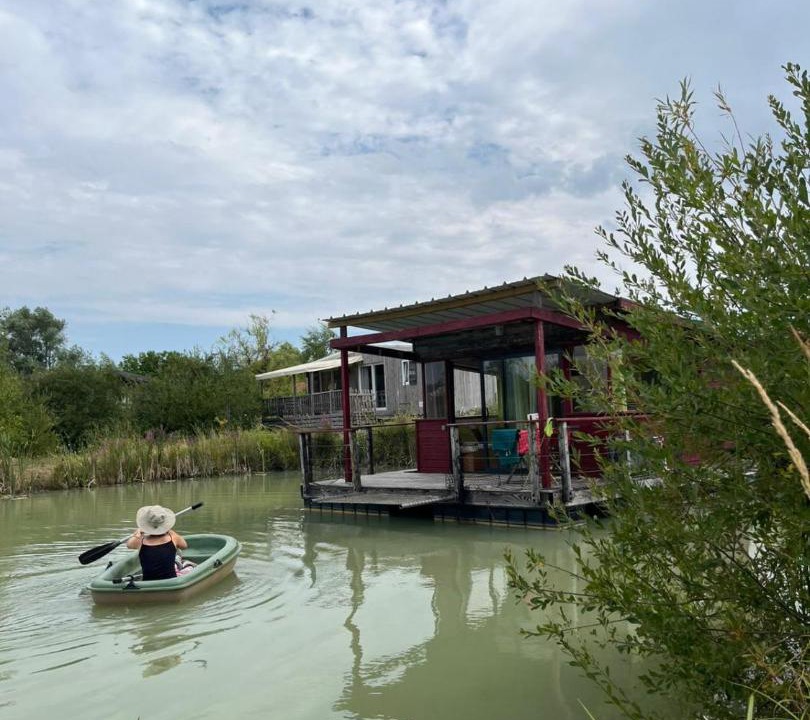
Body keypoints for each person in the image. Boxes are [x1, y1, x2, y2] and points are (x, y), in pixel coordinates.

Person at [126, 505, 189, 580]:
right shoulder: (173, 538)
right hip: (171, 581)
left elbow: (129, 545)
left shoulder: (140, 541)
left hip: (148, 582)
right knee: (187, 566)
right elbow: (184, 546)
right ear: (165, 525)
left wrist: (137, 533)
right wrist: (169, 530)